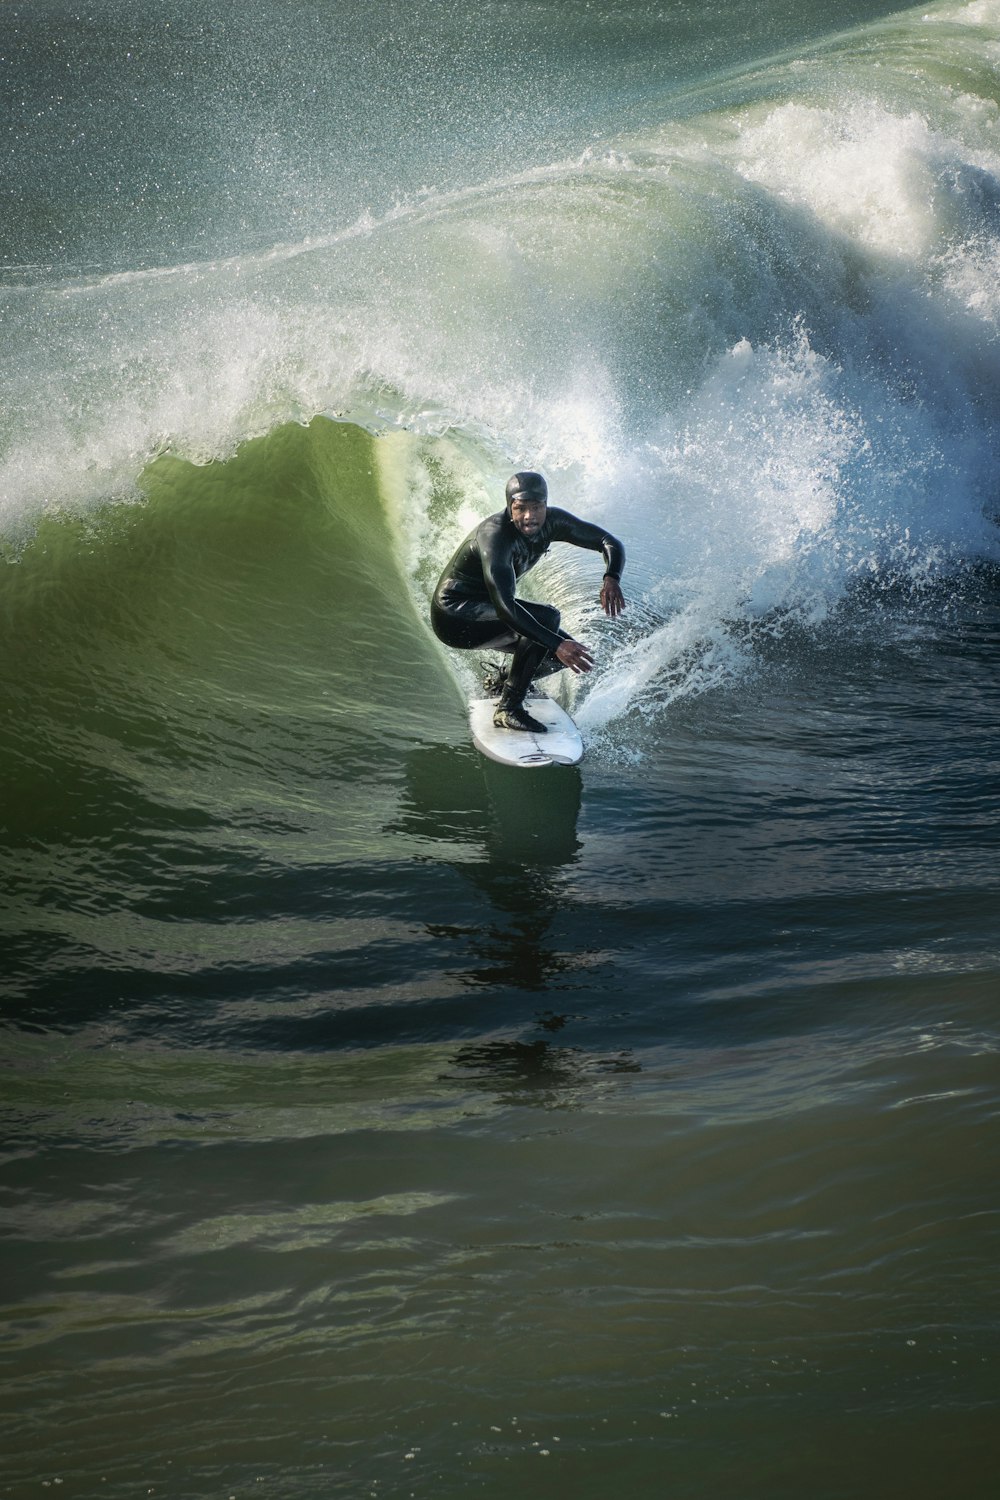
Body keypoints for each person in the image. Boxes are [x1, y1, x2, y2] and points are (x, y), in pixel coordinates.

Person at [431, 470, 626, 732]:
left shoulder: (553, 521)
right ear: (510, 506)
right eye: (520, 508)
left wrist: (611, 577)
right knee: (549, 623)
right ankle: (509, 708)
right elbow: (506, 607)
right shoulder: (495, 538)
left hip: (488, 609)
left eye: (536, 507)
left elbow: (607, 541)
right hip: (454, 615)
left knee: (559, 656)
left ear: (545, 504)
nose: (529, 516)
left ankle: (505, 682)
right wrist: (557, 642)